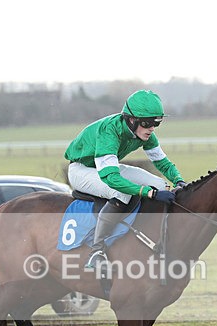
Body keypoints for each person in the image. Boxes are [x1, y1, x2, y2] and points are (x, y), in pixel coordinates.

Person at [64, 89, 186, 271]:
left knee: (160, 184)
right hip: (81, 170)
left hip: (102, 167)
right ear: (131, 119)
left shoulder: (146, 135)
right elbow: (111, 178)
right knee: (121, 191)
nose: (151, 128)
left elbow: (163, 163)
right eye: (147, 123)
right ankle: (96, 252)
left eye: (156, 123)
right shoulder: (109, 131)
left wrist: (179, 181)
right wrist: (148, 193)